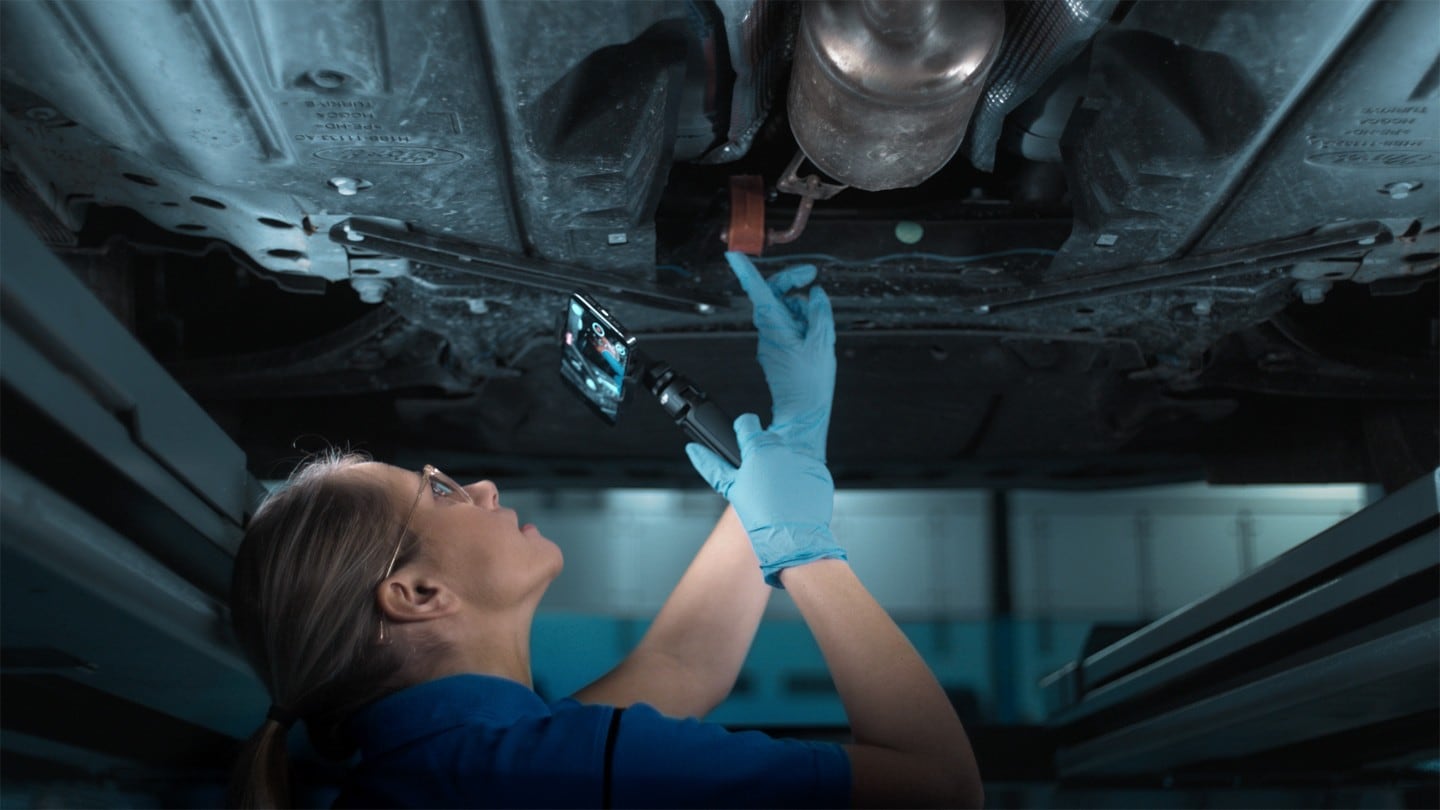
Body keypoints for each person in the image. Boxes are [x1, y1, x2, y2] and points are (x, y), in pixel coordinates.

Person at [227, 253, 983, 808]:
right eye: (442, 494)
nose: (482, 488)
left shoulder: (462, 765)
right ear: (418, 593)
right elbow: (945, 791)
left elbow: (687, 665)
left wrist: (794, 438)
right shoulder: (541, 774)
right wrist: (807, 554)